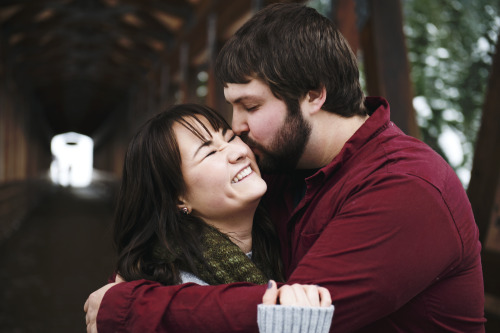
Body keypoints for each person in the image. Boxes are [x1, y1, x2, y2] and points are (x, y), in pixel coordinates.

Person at [85, 3, 485, 332]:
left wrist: (131, 309)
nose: (238, 130)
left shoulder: (407, 187)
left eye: (251, 106)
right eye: (232, 108)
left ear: (313, 94)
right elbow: (172, 236)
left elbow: (295, 318)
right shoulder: (279, 169)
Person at [84, 103, 333, 333]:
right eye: (210, 152)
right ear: (178, 199)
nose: (238, 151)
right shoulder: (174, 291)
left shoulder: (287, 234)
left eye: (229, 137)